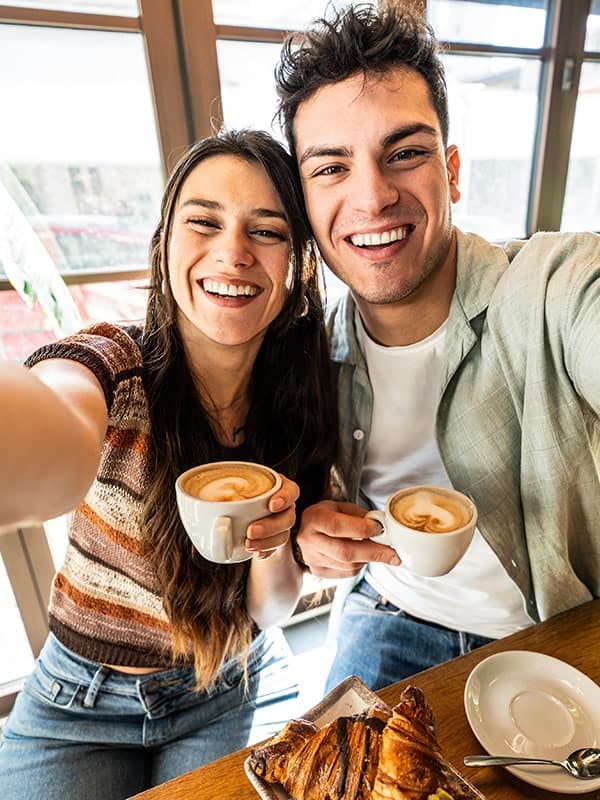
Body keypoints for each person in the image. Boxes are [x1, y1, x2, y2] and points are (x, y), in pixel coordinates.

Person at [0, 129, 337, 799]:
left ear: (298, 261)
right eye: (204, 222)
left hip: (226, 686)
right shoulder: (116, 366)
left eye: (266, 232)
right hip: (77, 701)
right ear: (164, 244)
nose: (233, 252)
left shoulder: (302, 395)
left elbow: (269, 610)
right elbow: (53, 445)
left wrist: (274, 547)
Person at [273, 3, 600, 692]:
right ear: (303, 204)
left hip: (552, 632)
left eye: (405, 153)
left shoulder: (548, 288)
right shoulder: (310, 352)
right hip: (386, 609)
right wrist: (314, 536)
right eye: (331, 168)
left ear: (451, 172)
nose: (372, 197)